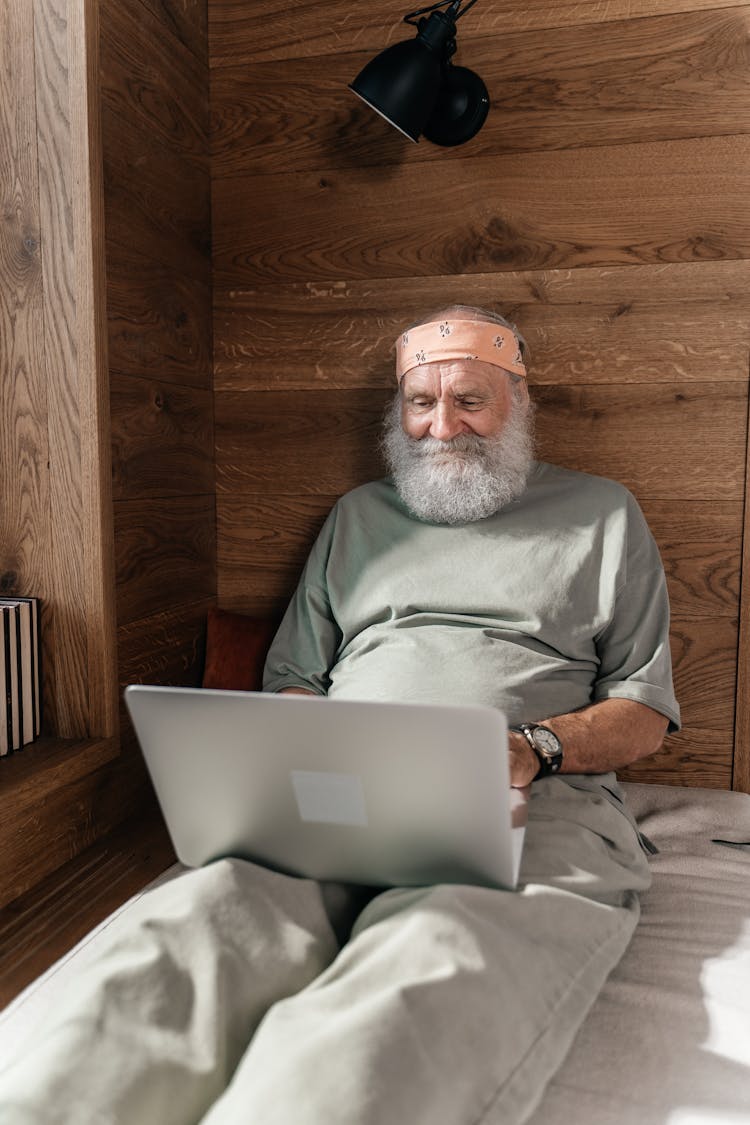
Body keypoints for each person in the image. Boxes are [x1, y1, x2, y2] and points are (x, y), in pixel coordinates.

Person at [0, 305, 680, 1125]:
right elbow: (294, 676)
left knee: (429, 963)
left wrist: (532, 747)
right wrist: (311, 750)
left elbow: (643, 710)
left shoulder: (604, 514)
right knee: (196, 928)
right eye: (419, 404)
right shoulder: (359, 517)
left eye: (468, 399)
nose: (441, 427)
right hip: (342, 785)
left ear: (520, 401)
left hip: (533, 793)